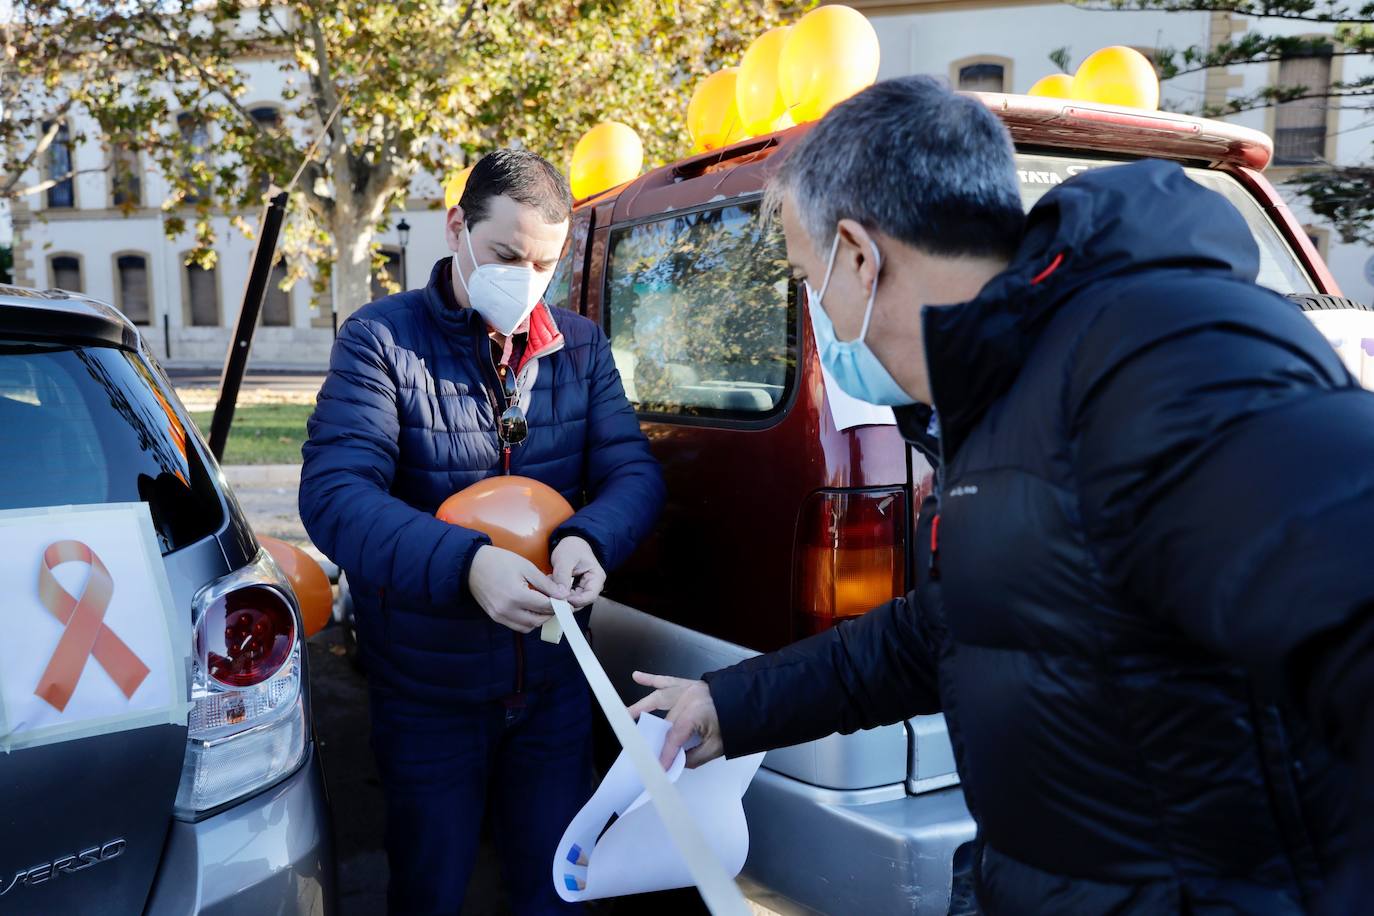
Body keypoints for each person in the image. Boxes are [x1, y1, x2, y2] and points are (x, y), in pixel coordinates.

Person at [630, 76, 1374, 913]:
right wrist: (729, 703)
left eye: (808, 275)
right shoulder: (1003, 388)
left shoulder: (1161, 361)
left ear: (860, 254)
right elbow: (957, 624)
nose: (821, 308)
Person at [300, 148, 665, 915]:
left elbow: (634, 474)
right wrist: (468, 564)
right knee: (432, 886)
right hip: (429, 690)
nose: (525, 279)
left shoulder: (581, 344)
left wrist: (588, 539)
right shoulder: (381, 341)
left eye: (544, 264)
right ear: (456, 225)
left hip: (554, 688)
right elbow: (335, 495)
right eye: (506, 254)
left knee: (553, 885)